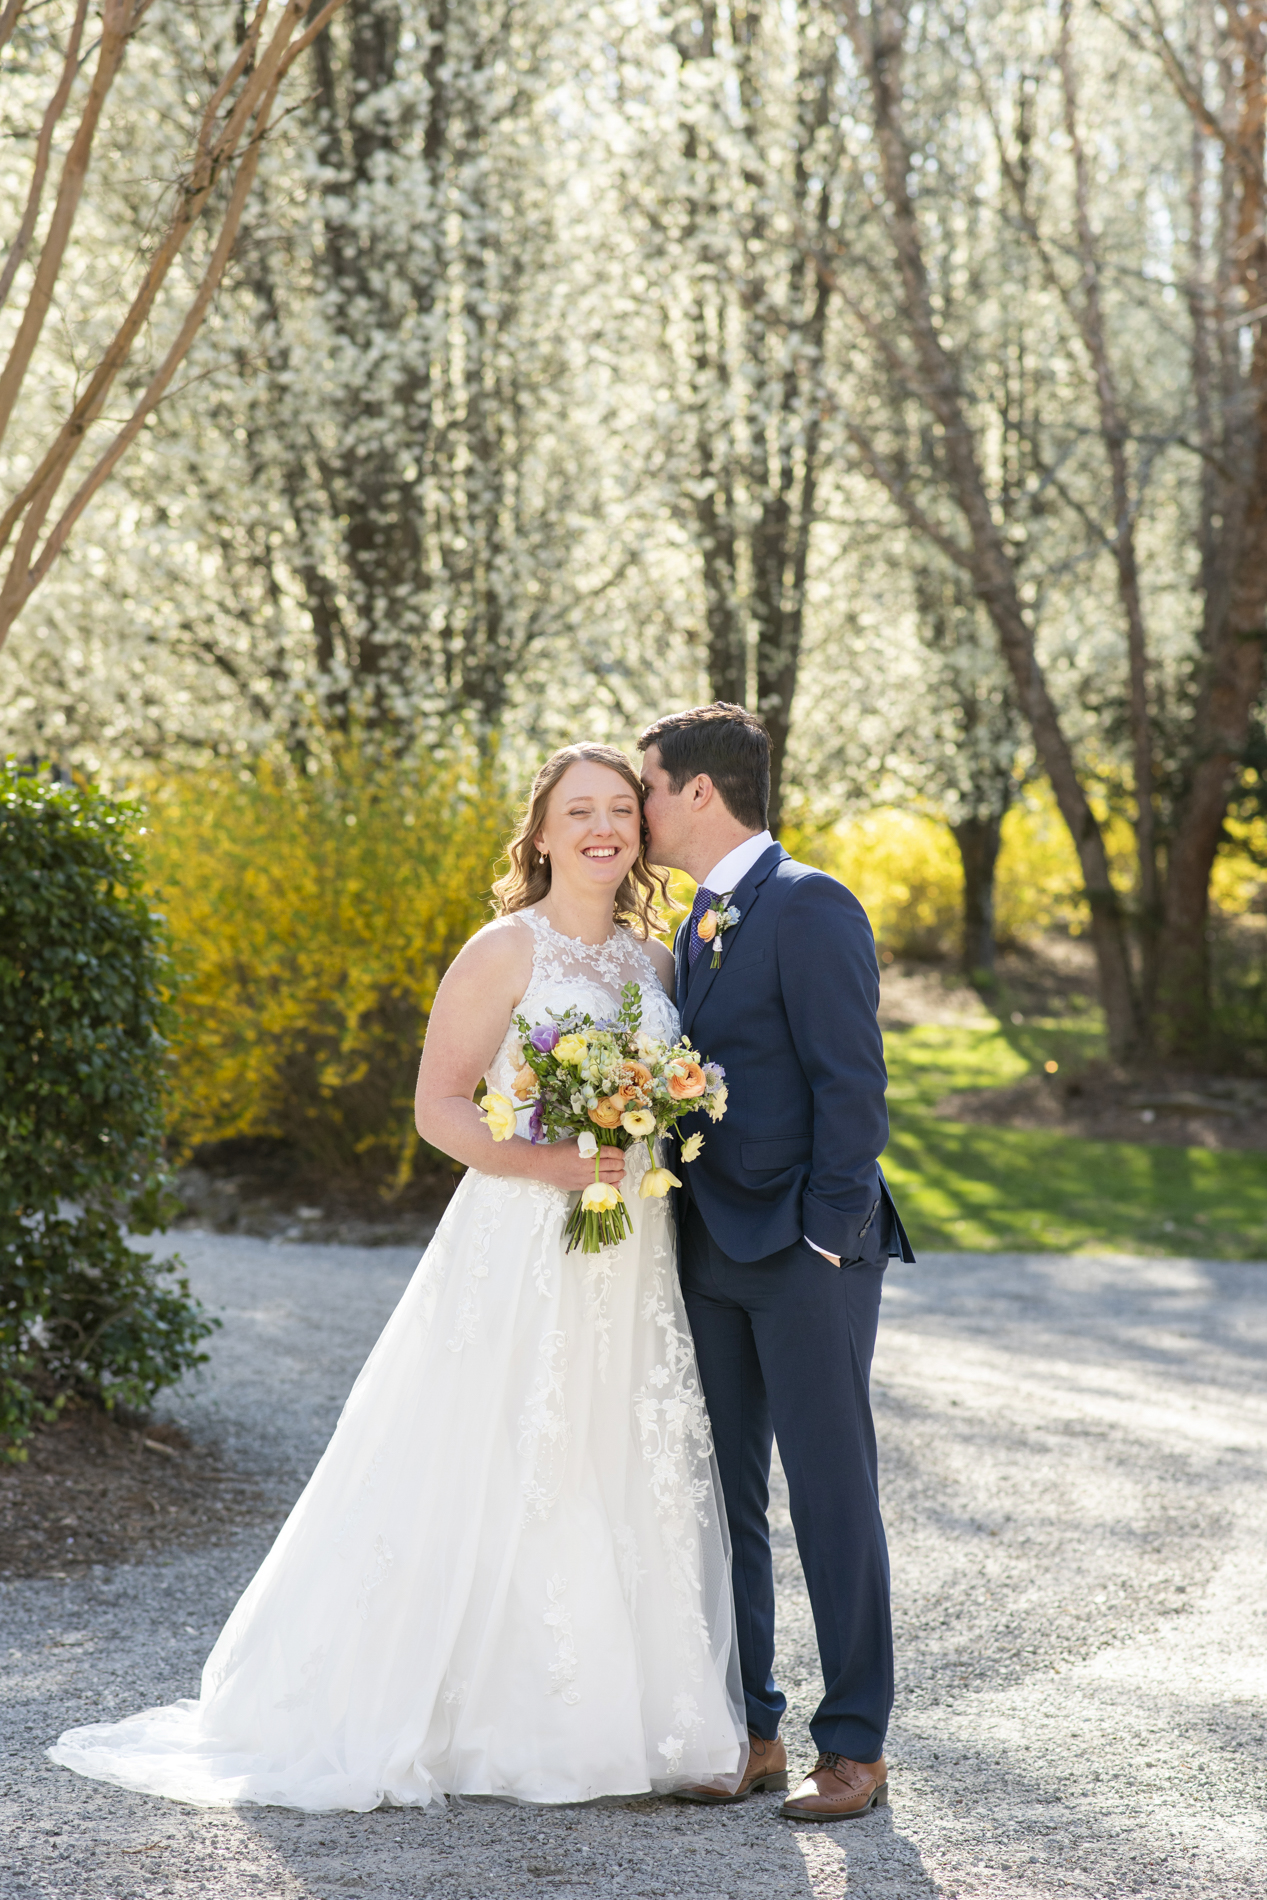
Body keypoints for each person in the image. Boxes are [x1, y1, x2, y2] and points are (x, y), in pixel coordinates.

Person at [49, 744, 746, 1811]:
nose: (603, 827)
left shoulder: (657, 962)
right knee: (500, 1447)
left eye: (619, 808)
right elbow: (439, 1108)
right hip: (524, 1238)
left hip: (630, 1252)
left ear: (641, 829)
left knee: (613, 1446)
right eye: (578, 811)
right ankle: (474, 1717)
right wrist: (551, 1164)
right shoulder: (503, 949)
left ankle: (624, 1719)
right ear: (542, 832)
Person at [638, 702, 914, 1823]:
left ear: (699, 792)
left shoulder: (810, 902)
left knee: (830, 1491)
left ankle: (853, 1746)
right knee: (725, 1499)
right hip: (707, 1243)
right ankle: (751, 1729)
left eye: (648, 787)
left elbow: (854, 1086)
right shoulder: (697, 917)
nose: (638, 807)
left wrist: (825, 1236)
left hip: (806, 1254)